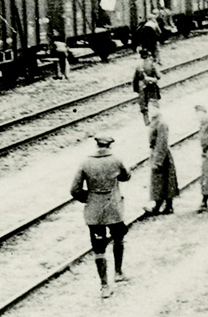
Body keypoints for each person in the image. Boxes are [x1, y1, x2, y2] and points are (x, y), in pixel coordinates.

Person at [70, 135, 131, 298]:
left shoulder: (85, 162)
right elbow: (126, 177)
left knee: (99, 248)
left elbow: (74, 190)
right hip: (114, 210)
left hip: (94, 213)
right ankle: (118, 272)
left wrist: (89, 198)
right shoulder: (116, 160)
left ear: (97, 146)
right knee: (118, 238)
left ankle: (104, 286)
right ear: (110, 146)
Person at [143, 106, 179, 217]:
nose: (151, 112)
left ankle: (162, 207)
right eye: (150, 110)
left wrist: (157, 161)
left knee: (163, 181)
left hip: (161, 156)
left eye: (154, 109)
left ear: (159, 109)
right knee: (162, 181)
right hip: (157, 153)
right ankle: (164, 206)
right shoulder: (155, 122)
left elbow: (161, 143)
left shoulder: (161, 123)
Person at [133, 50, 161, 125]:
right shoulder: (152, 63)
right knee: (154, 101)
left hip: (142, 86)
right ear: (148, 55)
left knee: (143, 104)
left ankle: (146, 121)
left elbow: (135, 78)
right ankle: (156, 119)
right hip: (152, 86)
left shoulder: (138, 65)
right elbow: (158, 76)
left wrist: (136, 89)